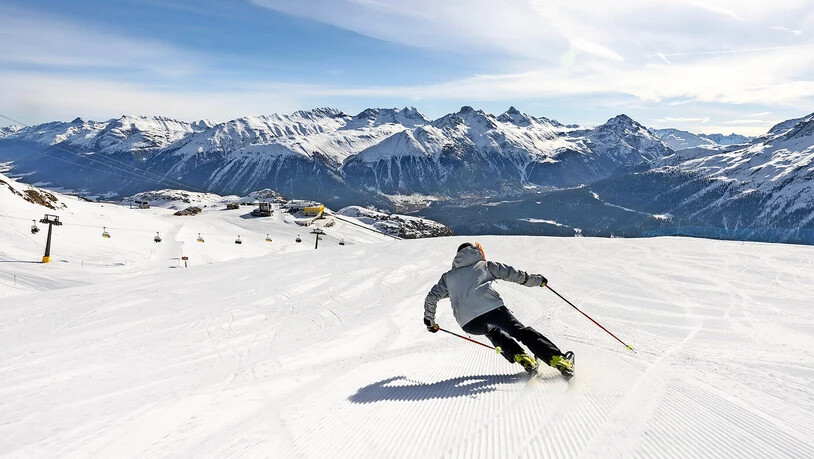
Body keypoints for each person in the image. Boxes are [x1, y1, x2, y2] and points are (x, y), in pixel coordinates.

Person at [423, 242, 573, 377]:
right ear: (476, 252)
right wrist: (538, 280)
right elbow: (515, 275)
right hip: (492, 309)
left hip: (468, 324)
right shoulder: (485, 265)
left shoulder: (448, 277)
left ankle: (522, 358)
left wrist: (430, 322)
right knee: (520, 332)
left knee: (492, 332)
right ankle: (557, 359)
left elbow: (432, 297)